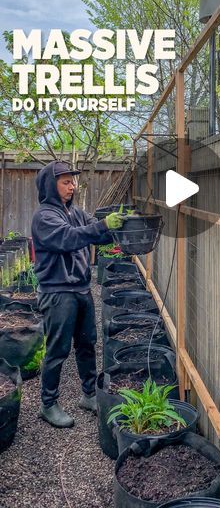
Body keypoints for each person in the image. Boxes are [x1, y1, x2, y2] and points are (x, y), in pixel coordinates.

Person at [31, 160, 123, 428]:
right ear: (51, 184)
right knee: (58, 350)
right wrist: (102, 225)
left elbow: (95, 234)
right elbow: (70, 238)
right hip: (58, 292)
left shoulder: (77, 213)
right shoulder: (45, 217)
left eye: (73, 182)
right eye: (66, 182)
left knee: (86, 344)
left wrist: (116, 228)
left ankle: (90, 394)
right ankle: (48, 405)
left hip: (81, 289)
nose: (72, 186)